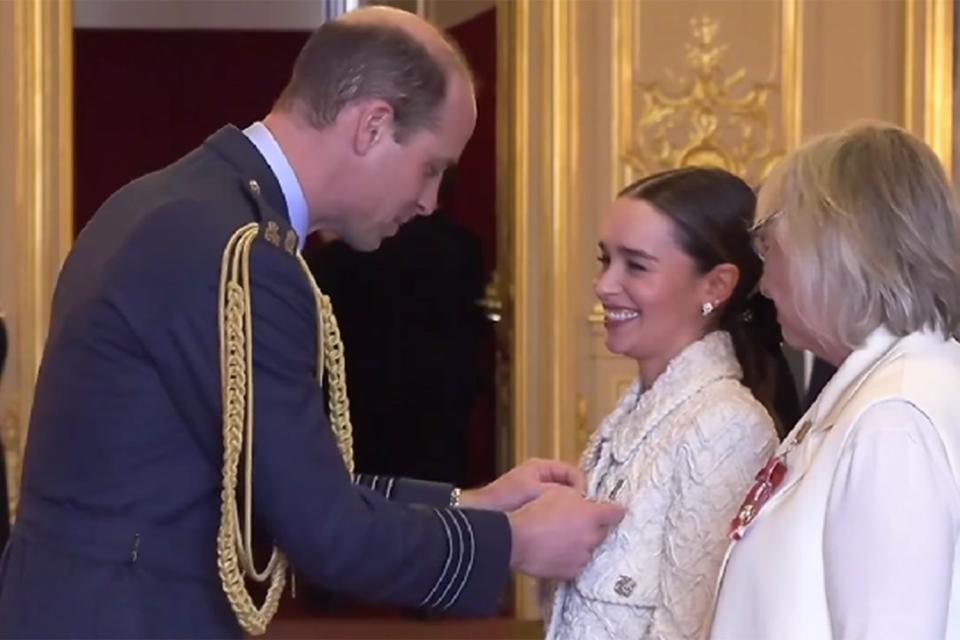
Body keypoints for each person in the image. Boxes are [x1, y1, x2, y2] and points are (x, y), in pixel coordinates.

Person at [0, 7, 625, 638]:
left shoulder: (174, 204)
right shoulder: (240, 251)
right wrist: (513, 543)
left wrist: (472, 504)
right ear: (373, 125)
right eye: (432, 167)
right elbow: (325, 532)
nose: (429, 202)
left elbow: (287, 478)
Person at [710, 123, 960, 639]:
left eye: (768, 246)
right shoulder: (886, 388)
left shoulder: (892, 423)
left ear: (834, 246)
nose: (763, 281)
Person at [545, 167, 779, 640]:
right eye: (604, 260)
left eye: (636, 265)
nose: (604, 285)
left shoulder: (726, 427)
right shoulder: (637, 412)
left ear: (716, 285)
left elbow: (690, 629)